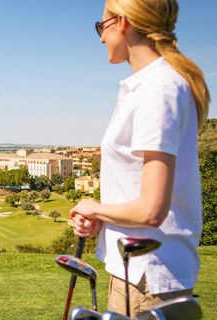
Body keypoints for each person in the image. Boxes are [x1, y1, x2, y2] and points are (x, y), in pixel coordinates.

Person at [70, 0, 210, 317]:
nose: (101, 38)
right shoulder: (148, 86)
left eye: (100, 27)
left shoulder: (159, 88)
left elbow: (151, 210)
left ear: (122, 23)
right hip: (134, 270)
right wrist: (103, 217)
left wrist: (95, 207)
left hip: (150, 276)